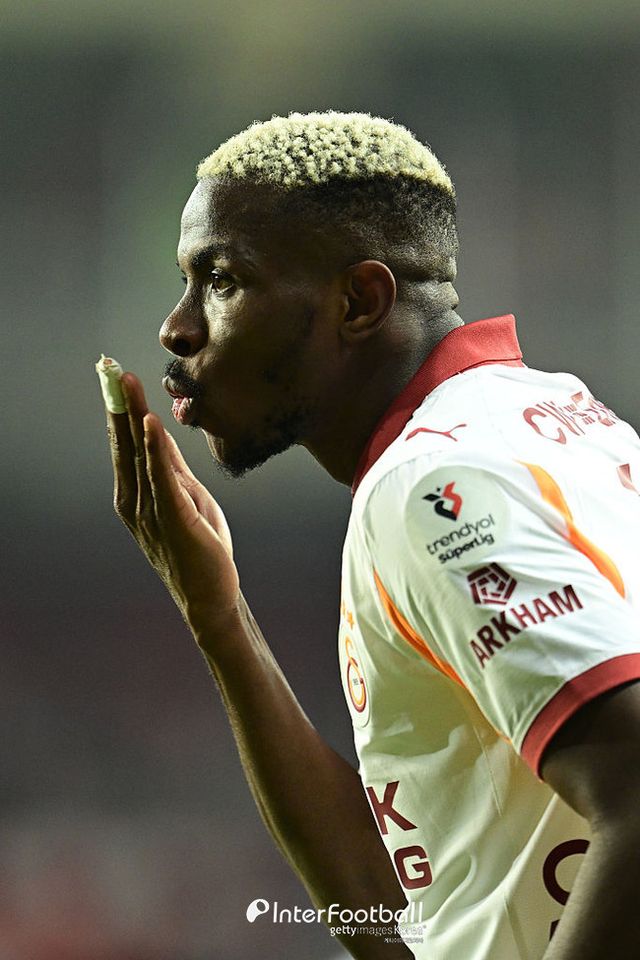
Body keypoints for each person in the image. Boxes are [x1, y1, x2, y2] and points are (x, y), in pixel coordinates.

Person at [101, 111, 640, 959]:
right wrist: (219, 617)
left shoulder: (434, 486)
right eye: (187, 280)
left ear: (358, 302)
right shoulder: (564, 421)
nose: (177, 327)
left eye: (223, 279)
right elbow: (401, 920)